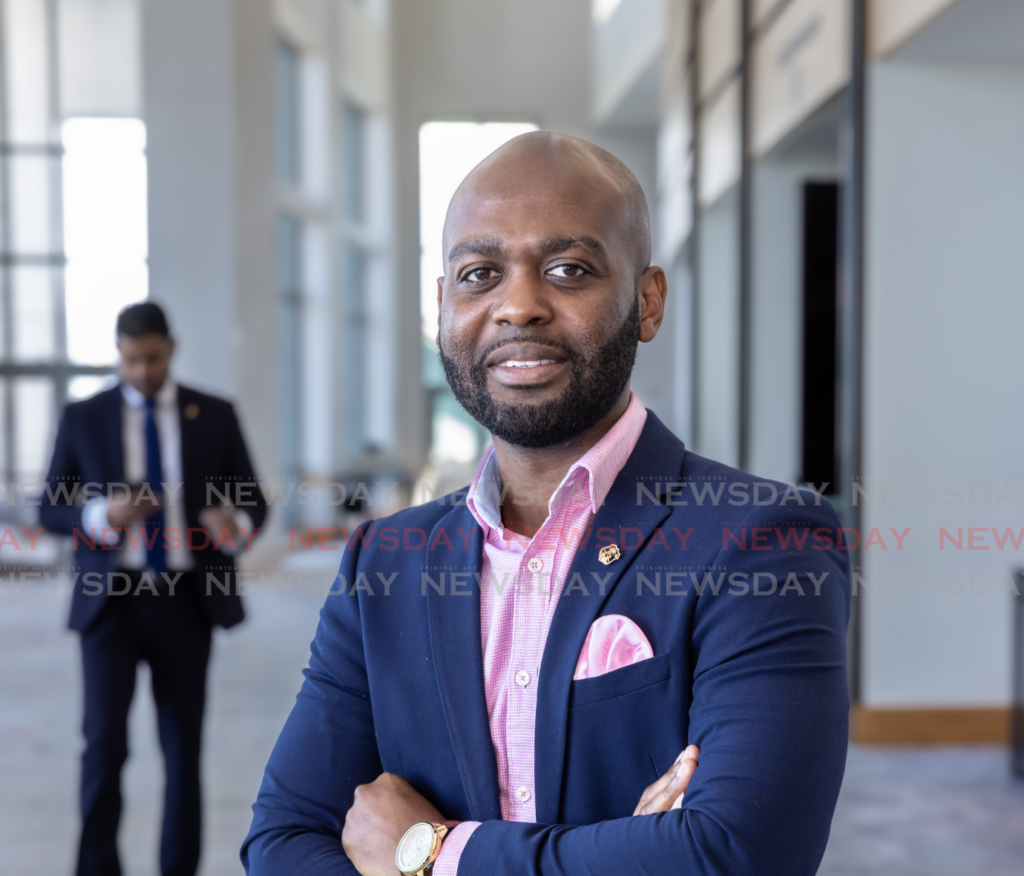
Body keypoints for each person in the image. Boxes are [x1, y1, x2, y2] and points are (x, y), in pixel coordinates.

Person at [241, 132, 850, 876]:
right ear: (442, 306)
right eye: (479, 273)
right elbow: (283, 841)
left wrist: (429, 854)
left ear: (646, 300)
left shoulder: (762, 540)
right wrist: (628, 851)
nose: (518, 306)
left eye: (568, 269)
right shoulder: (387, 564)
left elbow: (734, 852)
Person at [41, 301, 268, 876]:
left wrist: (232, 525)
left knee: (181, 752)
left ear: (172, 347)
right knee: (103, 750)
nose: (142, 370)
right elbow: (48, 507)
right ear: (119, 354)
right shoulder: (84, 416)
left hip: (185, 602)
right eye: (131, 359)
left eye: (152, 357)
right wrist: (99, 516)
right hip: (109, 604)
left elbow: (254, 502)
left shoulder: (213, 415)